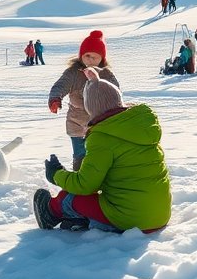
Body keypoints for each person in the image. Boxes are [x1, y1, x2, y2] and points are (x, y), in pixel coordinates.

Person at [34, 68, 172, 233]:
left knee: (71, 198)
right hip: (160, 216)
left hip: (132, 220)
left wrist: (57, 174)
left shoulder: (102, 138)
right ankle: (86, 218)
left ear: (91, 110)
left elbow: (85, 185)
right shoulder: (141, 127)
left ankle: (50, 212)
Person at [47, 31, 120, 169]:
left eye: (95, 57)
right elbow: (60, 85)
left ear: (102, 58)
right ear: (81, 56)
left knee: (99, 155)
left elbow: (115, 91)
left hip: (100, 125)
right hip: (77, 124)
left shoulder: (106, 74)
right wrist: (55, 99)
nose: (90, 60)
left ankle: (99, 180)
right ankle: (79, 180)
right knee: (80, 156)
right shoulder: (73, 73)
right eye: (87, 56)